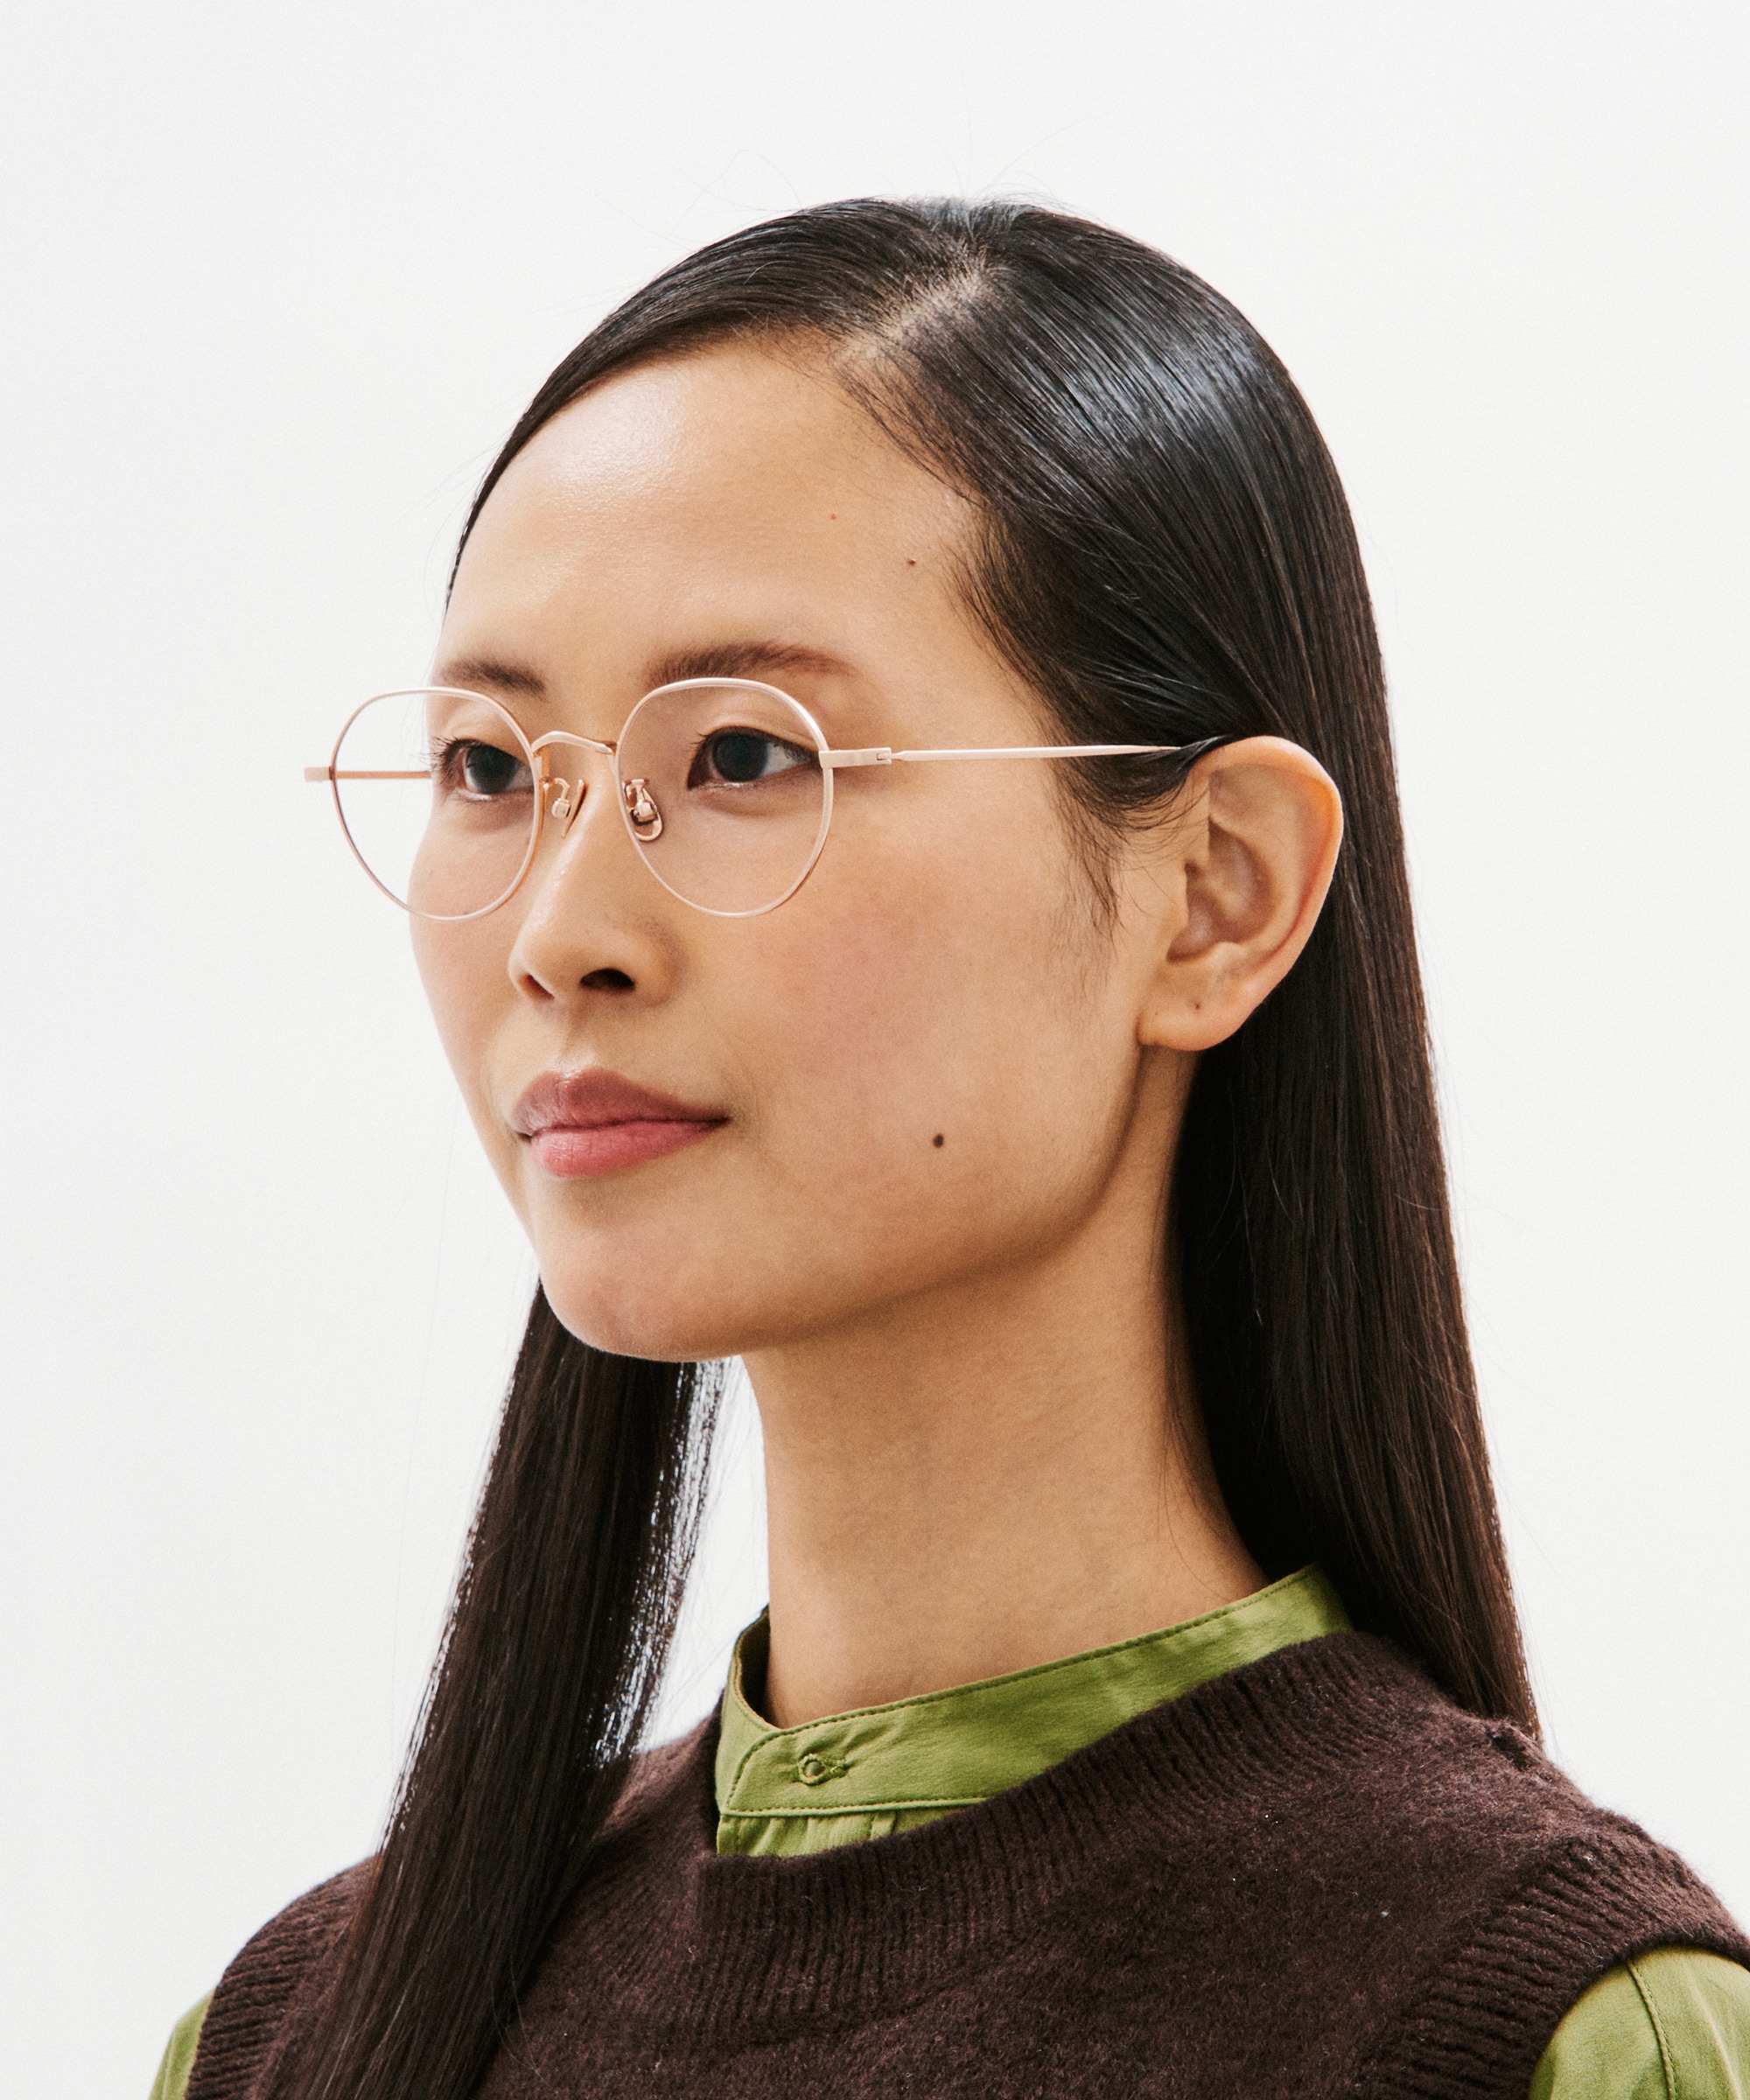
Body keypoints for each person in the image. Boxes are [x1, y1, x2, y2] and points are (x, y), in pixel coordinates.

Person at [153, 199, 1748, 2100]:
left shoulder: (1552, 2033)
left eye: (745, 757)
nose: (558, 934)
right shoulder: (292, 2035)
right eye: (492, 770)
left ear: (1214, 894)